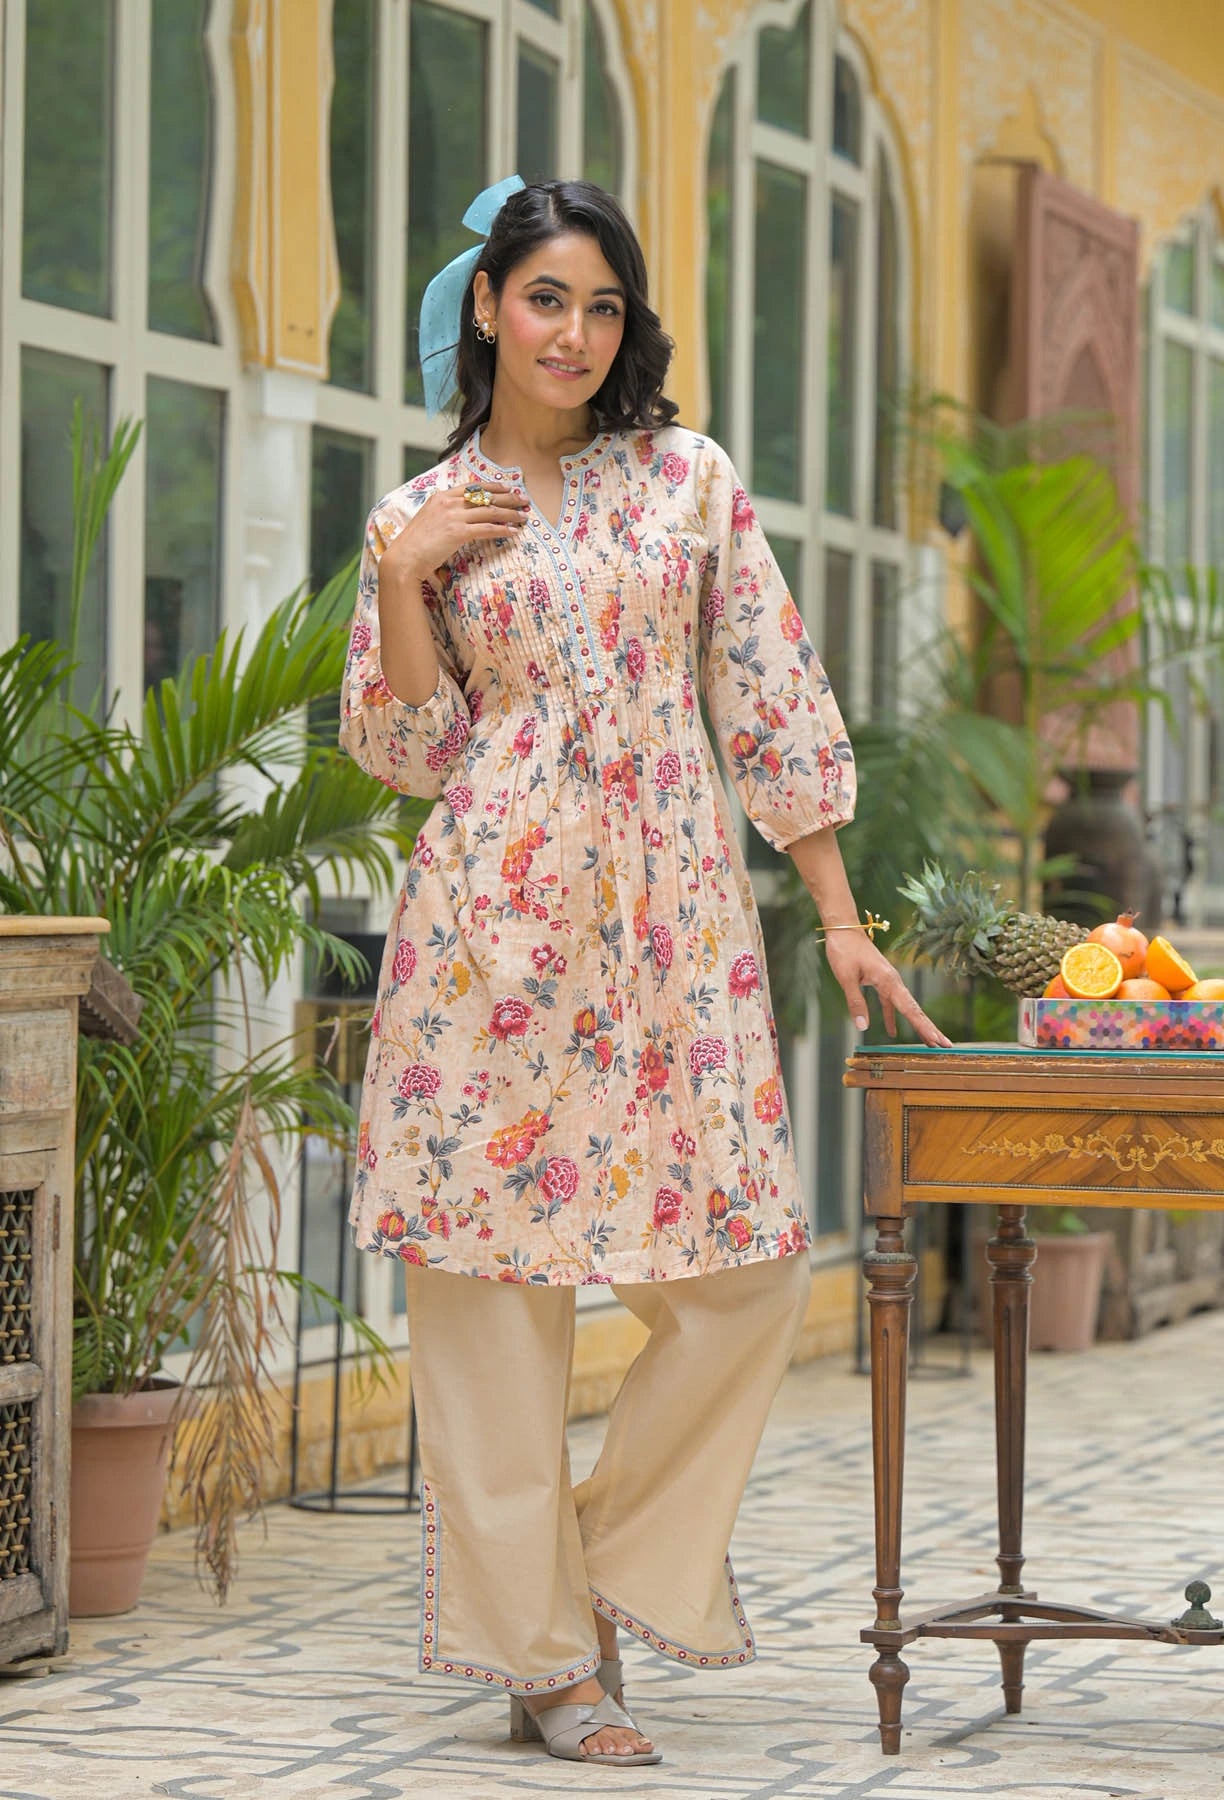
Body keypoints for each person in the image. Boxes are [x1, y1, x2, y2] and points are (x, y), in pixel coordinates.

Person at [339, 176, 949, 1769]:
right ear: (487, 307)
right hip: (490, 936)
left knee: (747, 1275)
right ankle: (548, 1660)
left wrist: (838, 914)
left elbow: (767, 691)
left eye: (603, 306)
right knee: (492, 1300)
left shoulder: (687, 480)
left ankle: (591, 1569)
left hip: (674, 930)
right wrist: (407, 576)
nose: (575, 333)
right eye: (546, 298)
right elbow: (407, 750)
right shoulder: (420, 514)